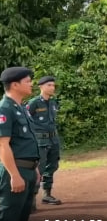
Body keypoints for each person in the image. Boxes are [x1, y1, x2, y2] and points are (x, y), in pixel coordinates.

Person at [0, 66, 41, 221]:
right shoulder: (4, 108)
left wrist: (34, 168)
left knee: (23, 215)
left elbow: (26, 143)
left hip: (27, 170)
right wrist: (14, 175)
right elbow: (2, 145)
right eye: (28, 81)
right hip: (15, 170)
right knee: (10, 215)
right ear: (15, 85)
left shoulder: (22, 108)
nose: (32, 84)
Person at [25, 76, 62, 210]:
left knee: (52, 166)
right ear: (41, 87)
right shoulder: (34, 103)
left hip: (53, 140)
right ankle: (31, 199)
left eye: (53, 85)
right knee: (38, 169)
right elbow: (25, 120)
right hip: (40, 141)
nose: (52, 88)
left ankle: (47, 194)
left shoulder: (53, 102)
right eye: (49, 85)